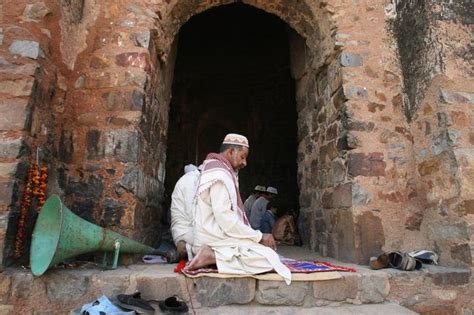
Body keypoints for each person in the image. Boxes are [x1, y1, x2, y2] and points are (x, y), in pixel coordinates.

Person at [185, 133, 291, 284]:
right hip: (214, 239)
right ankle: (211, 256)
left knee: (266, 253)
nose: (245, 162)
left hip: (216, 236)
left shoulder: (217, 170)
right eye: (242, 156)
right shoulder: (219, 175)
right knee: (268, 259)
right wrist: (259, 236)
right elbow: (226, 219)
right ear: (230, 152)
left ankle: (214, 256)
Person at [170, 164, 201, 259]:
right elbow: (192, 214)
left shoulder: (193, 179)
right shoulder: (190, 181)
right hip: (184, 231)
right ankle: (188, 249)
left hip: (188, 229)